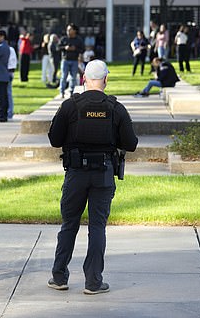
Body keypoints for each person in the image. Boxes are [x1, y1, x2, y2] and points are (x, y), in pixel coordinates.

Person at [47, 59, 138, 295]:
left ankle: (59, 277)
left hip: (76, 173)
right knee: (97, 226)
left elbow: (55, 139)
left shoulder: (70, 106)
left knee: (69, 224)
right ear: (106, 79)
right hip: (103, 174)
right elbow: (131, 143)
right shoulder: (115, 108)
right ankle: (93, 282)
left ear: (83, 79)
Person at [58, 24, 84, 98]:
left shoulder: (78, 40)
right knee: (63, 76)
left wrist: (75, 49)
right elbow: (58, 47)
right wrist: (65, 48)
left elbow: (82, 49)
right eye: (67, 30)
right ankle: (62, 92)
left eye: (70, 30)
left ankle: (71, 92)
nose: (68, 31)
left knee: (73, 77)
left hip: (74, 61)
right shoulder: (64, 39)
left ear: (74, 31)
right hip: (65, 60)